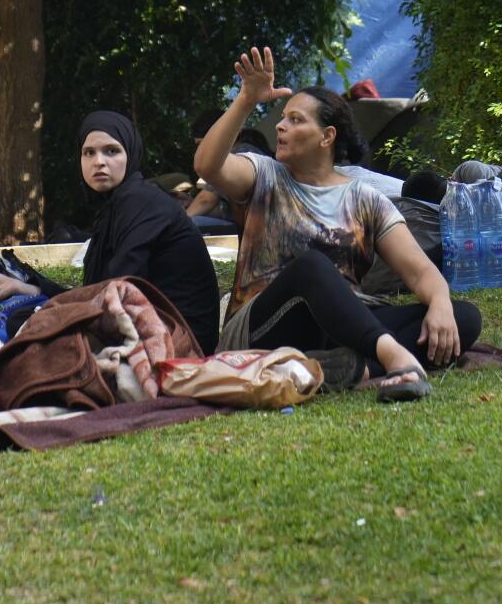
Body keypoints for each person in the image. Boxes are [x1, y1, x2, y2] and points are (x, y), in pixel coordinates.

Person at [194, 47, 483, 402]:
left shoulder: (365, 198)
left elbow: (421, 272)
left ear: (327, 136)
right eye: (282, 118)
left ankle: (346, 369)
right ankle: (393, 358)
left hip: (340, 328)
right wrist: (246, 99)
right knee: (311, 267)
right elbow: (207, 165)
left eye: (296, 120)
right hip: (261, 330)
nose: (281, 126)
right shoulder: (263, 174)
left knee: (461, 318)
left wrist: (439, 304)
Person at [0, 110, 224, 351]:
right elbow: (96, 292)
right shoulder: (114, 207)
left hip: (180, 339)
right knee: (23, 318)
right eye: (89, 153)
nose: (99, 162)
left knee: (27, 323)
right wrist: (25, 287)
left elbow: (114, 292)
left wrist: (49, 312)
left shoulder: (140, 202)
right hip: (148, 324)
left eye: (112, 151)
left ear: (131, 154)